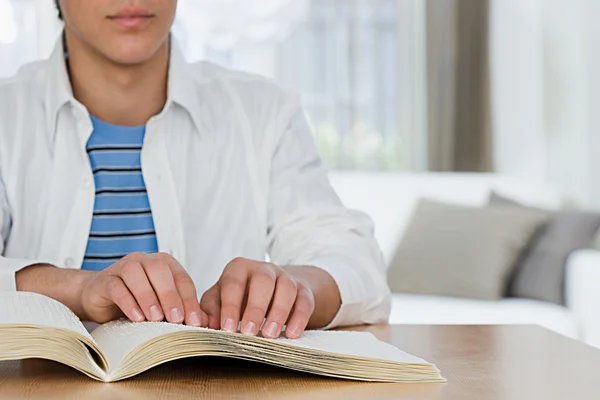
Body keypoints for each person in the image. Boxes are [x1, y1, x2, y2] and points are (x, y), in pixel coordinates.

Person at [0, 0, 390, 339]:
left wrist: (295, 286)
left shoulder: (262, 110)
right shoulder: (7, 114)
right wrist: (81, 290)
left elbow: (357, 265)